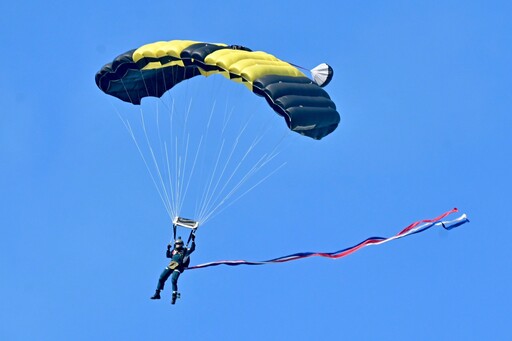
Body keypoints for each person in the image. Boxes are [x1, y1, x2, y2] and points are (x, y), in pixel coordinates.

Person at [150, 233, 196, 304]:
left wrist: (193, 240)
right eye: (177, 243)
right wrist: (168, 249)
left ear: (181, 244)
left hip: (179, 266)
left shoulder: (185, 250)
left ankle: (174, 297)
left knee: (173, 280)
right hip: (172, 265)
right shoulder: (174, 251)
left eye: (179, 244)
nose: (177, 245)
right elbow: (168, 255)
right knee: (161, 278)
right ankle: (157, 293)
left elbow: (192, 249)